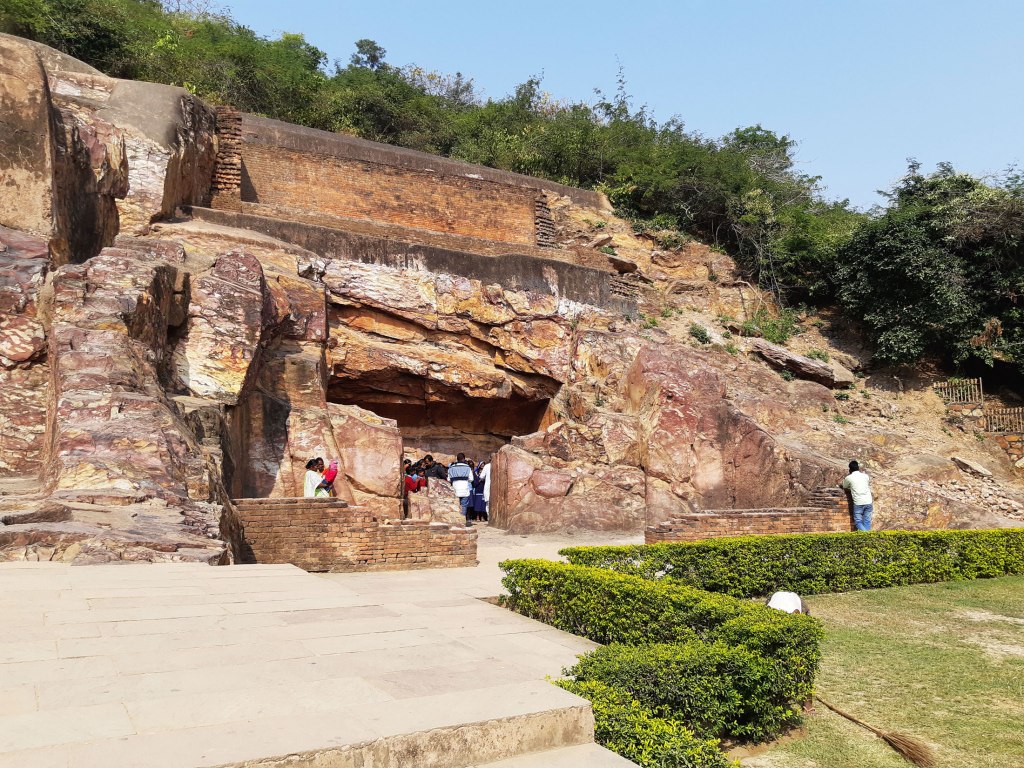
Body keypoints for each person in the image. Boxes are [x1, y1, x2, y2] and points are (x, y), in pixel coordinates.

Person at [841, 460, 874, 531]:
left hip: (858, 502)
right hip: (868, 501)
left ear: (850, 469)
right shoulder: (865, 476)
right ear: (858, 468)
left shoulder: (849, 478)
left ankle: (867, 536)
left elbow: (845, 486)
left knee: (858, 521)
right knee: (867, 521)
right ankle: (869, 536)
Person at [447, 452, 474, 524]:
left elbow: (449, 479)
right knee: (464, 506)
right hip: (464, 489)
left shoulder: (451, 468)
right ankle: (462, 522)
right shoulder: (467, 468)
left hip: (455, 489)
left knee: (456, 506)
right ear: (463, 459)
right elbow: (471, 479)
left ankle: (456, 522)